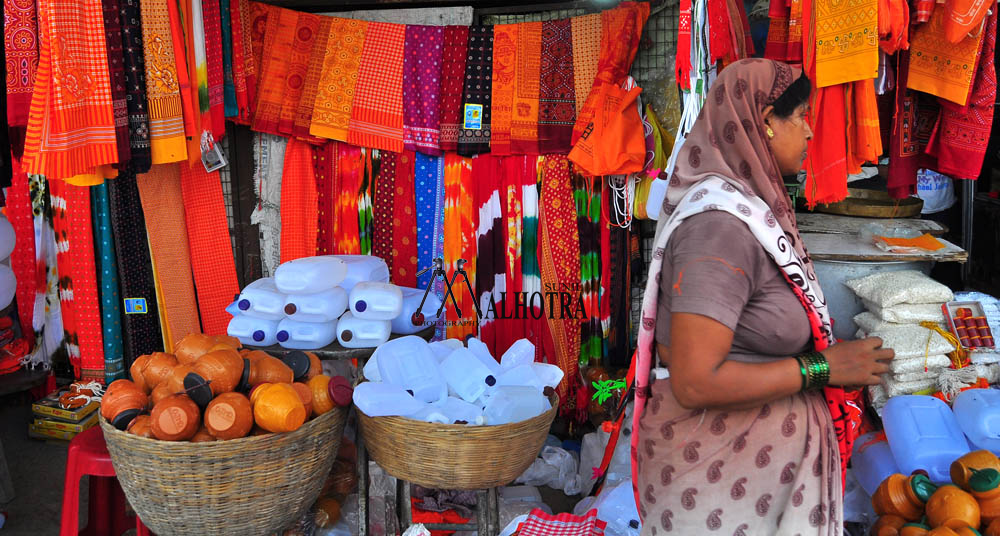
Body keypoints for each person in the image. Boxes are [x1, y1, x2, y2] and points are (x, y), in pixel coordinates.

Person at [631, 59, 894, 535]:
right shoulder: (718, 228)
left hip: (750, 481)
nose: (811, 132)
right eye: (801, 117)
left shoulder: (749, 208)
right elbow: (693, 381)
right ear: (765, 122)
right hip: (718, 488)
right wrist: (824, 368)